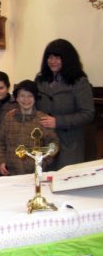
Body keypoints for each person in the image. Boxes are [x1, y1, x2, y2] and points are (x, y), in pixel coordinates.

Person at [35, 39, 94, 170]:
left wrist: (58, 121)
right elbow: (32, 105)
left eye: (57, 57)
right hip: (45, 141)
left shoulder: (79, 81)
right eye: (49, 57)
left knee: (66, 180)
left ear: (67, 59)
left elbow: (88, 113)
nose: (52, 61)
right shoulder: (40, 80)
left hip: (69, 143)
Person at [0, 80, 59, 176]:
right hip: (11, 173)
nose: (26, 100)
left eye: (30, 96)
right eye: (22, 96)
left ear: (35, 98)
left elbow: (53, 145)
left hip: (35, 173)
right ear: (16, 98)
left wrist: (43, 162)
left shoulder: (42, 120)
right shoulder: (8, 118)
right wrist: (1, 161)